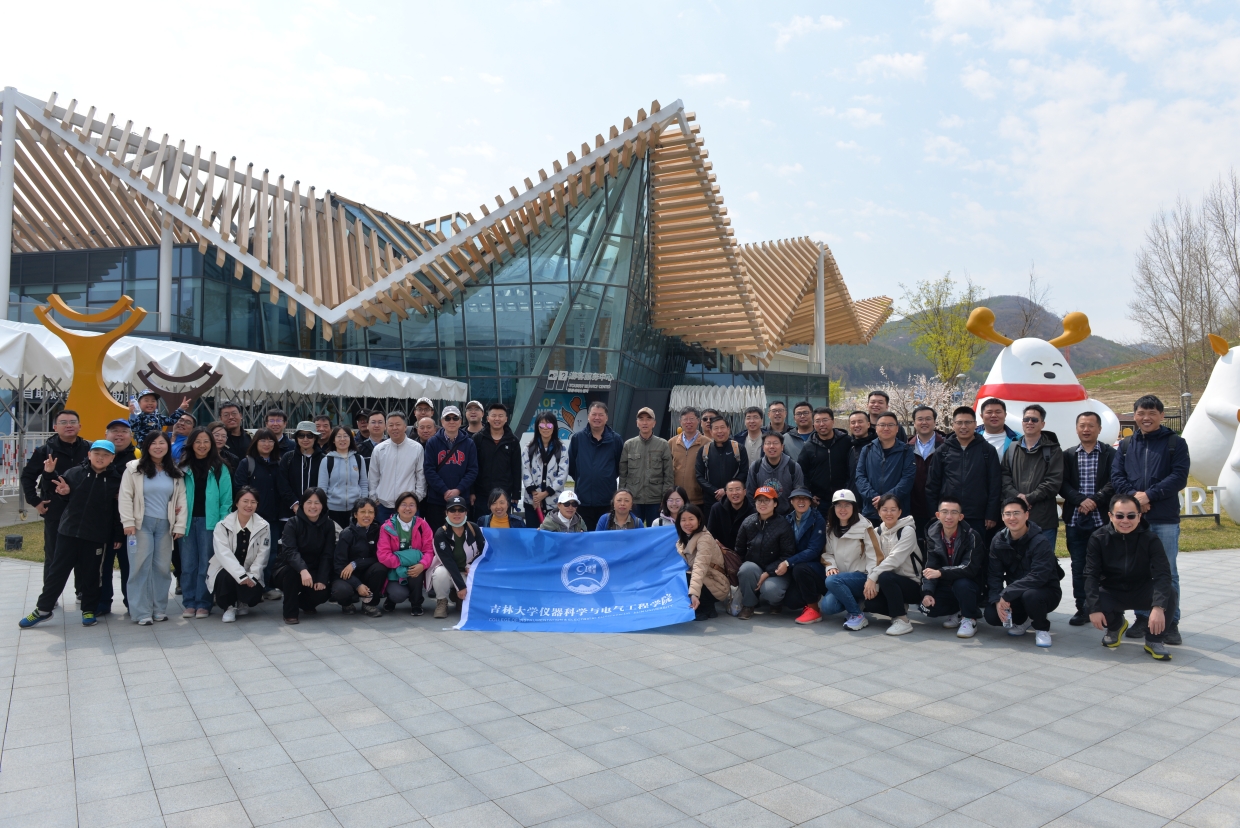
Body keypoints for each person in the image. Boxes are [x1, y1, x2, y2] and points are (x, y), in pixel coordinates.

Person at [20, 440, 123, 629]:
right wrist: (50, 475)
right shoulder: (75, 473)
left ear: (112, 458)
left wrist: (117, 535)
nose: (100, 458)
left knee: (92, 574)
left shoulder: (117, 481)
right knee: (57, 572)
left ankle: (88, 610)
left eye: (106, 455)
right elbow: (56, 490)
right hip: (68, 532)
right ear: (89, 454)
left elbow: (117, 511)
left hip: (96, 536)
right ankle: (43, 609)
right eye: (97, 454)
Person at [1111, 395, 1189, 645]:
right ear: (1134, 415)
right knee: (1139, 570)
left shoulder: (1176, 443)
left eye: (1152, 413)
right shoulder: (1125, 445)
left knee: (1168, 571)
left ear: (1162, 416)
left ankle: (1170, 621)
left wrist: (1149, 495)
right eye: (1141, 413)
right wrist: (1136, 499)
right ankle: (1143, 618)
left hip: (1164, 518)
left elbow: (1179, 476)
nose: (1146, 418)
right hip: (1134, 521)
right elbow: (1117, 476)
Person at [1085, 494, 1176, 660]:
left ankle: (1154, 640)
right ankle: (1116, 626)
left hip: (1141, 590)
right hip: (1112, 590)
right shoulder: (1098, 538)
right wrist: (1094, 609)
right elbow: (1091, 575)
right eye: (1119, 516)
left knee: (1169, 593)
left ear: (1139, 516)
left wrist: (1158, 607)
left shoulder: (1151, 539)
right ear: (1110, 516)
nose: (1125, 521)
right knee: (1090, 602)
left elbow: (1163, 574)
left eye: (1131, 516)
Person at [119, 432, 186, 626]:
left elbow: (181, 499)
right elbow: (125, 496)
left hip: (165, 525)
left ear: (168, 446)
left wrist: (179, 525)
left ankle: (159, 609)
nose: (158, 447)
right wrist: (128, 522)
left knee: (162, 568)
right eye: (153, 443)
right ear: (146, 446)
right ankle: (141, 612)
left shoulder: (174, 471)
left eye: (162, 443)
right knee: (140, 568)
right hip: (141, 525)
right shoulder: (134, 468)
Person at [1061, 411, 1116, 627]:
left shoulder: (1110, 454)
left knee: (1104, 566)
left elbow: (1114, 481)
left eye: (1091, 425)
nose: (1086, 429)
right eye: (1082, 425)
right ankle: (1082, 608)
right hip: (1075, 521)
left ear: (1099, 429)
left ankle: (1104, 607)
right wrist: (1081, 500)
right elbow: (1062, 484)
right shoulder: (1068, 455)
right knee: (1079, 566)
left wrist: (1095, 500)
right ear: (1076, 429)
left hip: (1102, 520)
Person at [984, 497, 1063, 648]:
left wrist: (1007, 593)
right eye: (1007, 514)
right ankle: (1023, 620)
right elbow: (994, 574)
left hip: (1044, 592)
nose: (1012, 518)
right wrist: (997, 599)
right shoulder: (998, 540)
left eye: (1016, 513)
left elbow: (1038, 576)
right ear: (1002, 517)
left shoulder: (1040, 541)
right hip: (1015, 593)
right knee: (991, 615)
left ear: (1026, 515)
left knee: (1031, 596)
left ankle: (1041, 628)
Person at [21, 408, 88, 582]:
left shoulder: (89, 449)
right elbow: (27, 476)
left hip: (84, 510)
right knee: (54, 554)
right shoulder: (45, 450)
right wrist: (35, 501)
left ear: (80, 426)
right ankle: (50, 593)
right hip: (55, 510)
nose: (68, 426)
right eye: (63, 423)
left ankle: (82, 592)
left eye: (72, 422)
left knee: (84, 556)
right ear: (55, 427)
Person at [178, 427, 233, 619]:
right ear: (191, 444)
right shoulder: (182, 467)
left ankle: (203, 603)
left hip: (210, 523)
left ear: (212, 444)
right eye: (198, 441)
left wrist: (222, 523)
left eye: (206, 441)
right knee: (188, 565)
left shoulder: (220, 468)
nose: (202, 445)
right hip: (186, 522)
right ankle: (189, 602)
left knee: (206, 565)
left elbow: (226, 500)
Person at [926, 406, 1001, 543]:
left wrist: (992, 514)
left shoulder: (987, 450)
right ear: (953, 425)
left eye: (968, 422)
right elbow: (932, 484)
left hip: (978, 515)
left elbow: (995, 484)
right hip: (949, 515)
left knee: (976, 551)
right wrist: (934, 513)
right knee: (948, 550)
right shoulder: (943, 451)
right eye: (959, 422)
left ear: (975, 424)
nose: (963, 426)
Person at [809, 490, 879, 629]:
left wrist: (873, 580)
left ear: (854, 507)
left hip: (862, 577)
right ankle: (857, 602)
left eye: (847, 505)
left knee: (831, 581)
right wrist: (831, 566)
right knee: (828, 607)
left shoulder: (865, 526)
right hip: (841, 579)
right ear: (833, 508)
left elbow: (876, 556)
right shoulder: (830, 527)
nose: (843, 509)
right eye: (839, 505)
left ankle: (857, 615)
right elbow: (827, 553)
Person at [919, 497, 986, 638]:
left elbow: (969, 568)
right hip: (946, 584)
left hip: (969, 584)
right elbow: (930, 567)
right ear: (938, 515)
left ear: (961, 517)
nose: (949, 517)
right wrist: (928, 593)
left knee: (962, 584)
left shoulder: (972, 536)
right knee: (927, 608)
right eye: (944, 512)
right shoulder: (932, 535)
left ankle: (970, 618)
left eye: (954, 512)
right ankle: (958, 611)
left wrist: (941, 572)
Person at [1000, 404, 1063, 549]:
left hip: (1043, 519)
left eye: (1034, 420)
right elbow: (1004, 477)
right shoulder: (1012, 448)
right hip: (1015, 520)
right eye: (1026, 419)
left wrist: (1029, 498)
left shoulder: (1053, 450)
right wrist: (1017, 497)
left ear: (1042, 424)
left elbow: (1053, 481)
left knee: (1043, 560)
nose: (1029, 422)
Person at [274, 487, 338, 624]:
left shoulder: (329, 525)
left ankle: (304, 603)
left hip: (313, 569)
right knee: (292, 573)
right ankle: (290, 612)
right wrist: (302, 569)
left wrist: (321, 578)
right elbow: (290, 551)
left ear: (323, 505)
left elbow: (327, 554)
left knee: (322, 592)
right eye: (309, 502)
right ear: (302, 504)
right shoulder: (293, 523)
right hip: (289, 568)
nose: (313, 506)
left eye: (317, 503)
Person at [233, 428, 284, 600]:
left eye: (270, 441)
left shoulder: (279, 463)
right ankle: (248, 587)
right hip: (251, 517)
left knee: (270, 553)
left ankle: (264, 586)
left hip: (273, 518)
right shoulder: (247, 463)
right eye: (263, 440)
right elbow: (239, 487)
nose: (267, 444)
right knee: (249, 553)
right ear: (255, 442)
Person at [207, 486, 271, 622]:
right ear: (237, 503)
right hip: (226, 570)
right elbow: (223, 554)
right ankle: (229, 607)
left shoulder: (264, 526)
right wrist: (241, 576)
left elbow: (263, 554)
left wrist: (253, 576)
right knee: (226, 577)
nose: (249, 505)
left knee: (253, 592)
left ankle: (242, 601)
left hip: (250, 570)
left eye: (253, 502)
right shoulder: (222, 525)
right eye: (245, 501)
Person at [862, 494, 922, 636]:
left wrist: (873, 577)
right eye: (885, 509)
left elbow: (895, 559)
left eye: (893, 509)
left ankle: (902, 621)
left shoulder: (907, 530)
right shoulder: (877, 532)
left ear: (900, 512)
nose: (889, 513)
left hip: (912, 584)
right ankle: (900, 607)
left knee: (885, 576)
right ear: (879, 512)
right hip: (889, 585)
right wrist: (873, 582)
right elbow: (873, 559)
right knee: (870, 603)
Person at [733, 486, 796, 619]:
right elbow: (739, 550)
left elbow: (788, 554)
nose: (762, 504)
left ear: (775, 503)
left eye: (767, 500)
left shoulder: (783, 525)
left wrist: (768, 572)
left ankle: (775, 603)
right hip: (755, 567)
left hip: (777, 571)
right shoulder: (748, 522)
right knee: (746, 569)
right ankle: (748, 605)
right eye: (759, 500)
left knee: (771, 591)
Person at [96, 418, 138, 616]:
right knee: (103, 566)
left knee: (130, 566)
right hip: (102, 522)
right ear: (106, 434)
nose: (119, 435)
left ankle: (132, 602)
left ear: (131, 435)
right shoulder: (98, 455)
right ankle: (103, 602)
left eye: (124, 431)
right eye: (114, 430)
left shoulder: (138, 456)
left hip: (130, 522)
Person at [773, 488, 828, 621]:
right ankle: (809, 594)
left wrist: (788, 562)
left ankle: (814, 608)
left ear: (810, 502)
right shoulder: (787, 520)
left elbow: (813, 550)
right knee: (791, 602)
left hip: (814, 567)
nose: (801, 501)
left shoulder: (818, 520)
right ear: (791, 501)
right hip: (794, 567)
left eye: (805, 498)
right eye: (797, 498)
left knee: (800, 568)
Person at [567, 402, 624, 529]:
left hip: (607, 500)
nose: (597, 418)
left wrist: (605, 477)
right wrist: (584, 478)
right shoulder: (578, 438)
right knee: (585, 535)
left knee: (606, 536)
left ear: (606, 417)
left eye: (601, 415)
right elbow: (571, 466)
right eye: (594, 414)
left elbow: (620, 467)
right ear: (588, 416)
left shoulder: (616, 440)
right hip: (583, 499)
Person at [377, 491, 435, 615]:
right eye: (403, 504)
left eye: (411, 505)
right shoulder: (387, 527)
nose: (407, 508)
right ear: (397, 507)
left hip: (415, 568)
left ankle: (416, 603)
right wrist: (409, 559)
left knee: (416, 570)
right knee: (398, 595)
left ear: (417, 508)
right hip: (394, 570)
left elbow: (429, 551)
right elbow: (383, 555)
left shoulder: (423, 525)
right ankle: (391, 599)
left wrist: (422, 564)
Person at [423, 407, 478, 531]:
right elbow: (429, 470)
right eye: (447, 418)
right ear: (442, 421)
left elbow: (472, 470)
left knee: (461, 535)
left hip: (461, 499)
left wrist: (458, 489)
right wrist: (444, 490)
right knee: (437, 534)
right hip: (437, 500)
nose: (451, 421)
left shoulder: (469, 443)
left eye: (455, 418)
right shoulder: (432, 442)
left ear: (460, 421)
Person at [854, 412, 916, 522]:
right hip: (871, 511)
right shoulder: (867, 449)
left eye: (890, 425)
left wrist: (885, 499)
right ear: (876, 428)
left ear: (897, 428)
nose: (886, 428)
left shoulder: (906, 451)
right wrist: (874, 498)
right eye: (882, 425)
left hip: (897, 512)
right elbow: (860, 477)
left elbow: (908, 479)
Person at [370, 410, 428, 527]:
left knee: (409, 537)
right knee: (384, 536)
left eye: (398, 424)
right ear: (386, 427)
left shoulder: (416, 448)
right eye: (391, 425)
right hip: (383, 506)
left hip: (409, 506)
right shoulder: (379, 449)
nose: (394, 428)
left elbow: (421, 476)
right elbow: (373, 476)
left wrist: (416, 498)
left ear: (405, 427)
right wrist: (374, 498)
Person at [429, 496, 483, 618]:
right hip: (449, 572)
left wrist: (471, 565)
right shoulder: (441, 533)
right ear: (446, 512)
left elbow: (483, 551)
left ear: (466, 512)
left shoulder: (473, 528)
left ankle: (458, 598)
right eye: (452, 510)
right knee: (439, 573)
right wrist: (461, 587)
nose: (457, 513)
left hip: (467, 572)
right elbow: (448, 562)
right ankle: (442, 601)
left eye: (461, 510)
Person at [330, 498, 385, 616]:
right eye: (363, 512)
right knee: (341, 590)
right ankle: (347, 603)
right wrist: (357, 585)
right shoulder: (347, 533)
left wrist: (355, 563)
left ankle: (369, 604)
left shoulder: (379, 532)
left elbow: (380, 557)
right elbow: (339, 565)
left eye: (370, 512)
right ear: (355, 514)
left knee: (380, 568)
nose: (367, 515)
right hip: (346, 575)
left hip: (367, 572)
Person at [619, 406, 674, 527]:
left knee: (654, 532)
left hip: (655, 500)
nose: (645, 422)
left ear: (654, 423)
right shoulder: (629, 445)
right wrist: (623, 497)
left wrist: (665, 498)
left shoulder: (663, 444)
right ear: (637, 423)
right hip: (633, 498)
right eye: (641, 419)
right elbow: (623, 475)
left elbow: (668, 475)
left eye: (648, 419)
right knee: (633, 531)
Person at [797, 407, 852, 522]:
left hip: (844, 498)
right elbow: (802, 472)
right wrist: (809, 494)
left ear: (833, 421)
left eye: (825, 420)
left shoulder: (846, 441)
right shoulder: (808, 447)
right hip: (820, 501)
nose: (821, 424)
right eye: (817, 421)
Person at [676, 504, 730, 621]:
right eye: (683, 520)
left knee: (684, 577)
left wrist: (694, 594)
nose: (687, 523)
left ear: (699, 520)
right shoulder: (684, 539)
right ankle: (708, 608)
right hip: (706, 581)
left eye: (691, 519)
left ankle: (701, 607)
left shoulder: (704, 538)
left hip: (718, 585)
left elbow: (700, 566)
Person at [472, 403, 522, 520]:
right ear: (487, 418)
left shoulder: (513, 440)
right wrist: (472, 491)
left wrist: (516, 494)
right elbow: (472, 467)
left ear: (506, 419)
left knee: (502, 525)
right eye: (494, 415)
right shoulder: (477, 438)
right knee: (481, 524)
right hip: (481, 493)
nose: (497, 419)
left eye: (500, 416)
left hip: (504, 493)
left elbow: (516, 468)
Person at [522, 412, 568, 527]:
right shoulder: (528, 448)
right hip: (533, 502)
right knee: (533, 534)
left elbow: (562, 475)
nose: (545, 428)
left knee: (552, 534)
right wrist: (535, 495)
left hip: (554, 503)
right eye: (542, 425)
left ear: (554, 427)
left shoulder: (561, 448)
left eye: (549, 425)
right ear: (537, 427)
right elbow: (525, 471)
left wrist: (545, 493)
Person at [318, 426, 369, 528]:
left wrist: (362, 504)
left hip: (355, 509)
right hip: (333, 509)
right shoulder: (327, 460)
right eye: (339, 436)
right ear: (333, 440)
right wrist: (324, 506)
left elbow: (363, 483)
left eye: (345, 436)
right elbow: (322, 487)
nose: (342, 439)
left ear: (350, 439)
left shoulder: (359, 459)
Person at [279, 422, 324, 533]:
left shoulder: (323, 459)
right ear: (296, 438)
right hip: (289, 514)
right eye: (301, 435)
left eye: (309, 435)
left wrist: (314, 506)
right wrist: (295, 505)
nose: (305, 439)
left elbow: (324, 486)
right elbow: (282, 484)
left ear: (315, 438)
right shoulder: (288, 457)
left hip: (316, 514)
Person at [907, 405, 944, 542]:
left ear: (934, 422)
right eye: (920, 419)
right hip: (912, 508)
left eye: (928, 419)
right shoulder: (906, 448)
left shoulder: (945, 446)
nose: (924, 422)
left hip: (939, 509)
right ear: (914, 423)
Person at [746, 432, 806, 515]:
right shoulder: (755, 467)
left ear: (782, 447)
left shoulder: (793, 467)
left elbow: (798, 493)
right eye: (768, 443)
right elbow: (750, 494)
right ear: (763, 448)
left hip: (787, 516)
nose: (771, 446)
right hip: (762, 515)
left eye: (775, 443)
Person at [696, 416, 749, 507]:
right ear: (711, 431)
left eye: (722, 427)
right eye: (716, 428)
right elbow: (699, 476)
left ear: (728, 429)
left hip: (734, 499)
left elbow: (744, 472)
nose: (720, 431)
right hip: (711, 499)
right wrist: (715, 491)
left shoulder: (738, 448)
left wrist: (726, 490)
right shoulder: (704, 450)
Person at [670, 406, 709, 508]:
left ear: (698, 421)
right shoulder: (672, 442)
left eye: (691, 419)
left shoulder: (707, 443)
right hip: (676, 497)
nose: (688, 422)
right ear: (680, 422)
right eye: (685, 419)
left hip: (698, 497)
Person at [707, 479, 754, 556]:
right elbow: (711, 532)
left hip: (745, 554)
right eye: (731, 490)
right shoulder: (716, 508)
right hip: (721, 552)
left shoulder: (753, 511)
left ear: (744, 492)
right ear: (726, 493)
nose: (734, 493)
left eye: (738, 489)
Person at [846, 410, 874, 495]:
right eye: (853, 423)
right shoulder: (848, 445)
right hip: (852, 496)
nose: (856, 425)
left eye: (860, 422)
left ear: (868, 424)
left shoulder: (877, 445)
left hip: (872, 496)